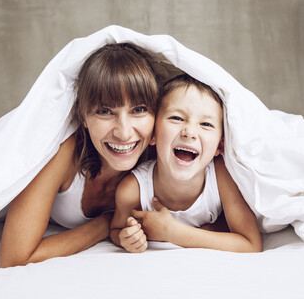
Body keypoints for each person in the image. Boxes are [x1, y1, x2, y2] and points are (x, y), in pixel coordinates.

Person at [0, 43, 159, 267]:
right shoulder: (63, 153)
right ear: (83, 116)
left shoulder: (162, 158)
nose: (123, 132)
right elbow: (14, 258)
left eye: (139, 110)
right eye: (105, 111)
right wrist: (105, 225)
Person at [110, 74, 262, 253]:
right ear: (153, 134)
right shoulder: (132, 190)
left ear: (219, 146)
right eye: (176, 118)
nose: (189, 132)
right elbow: (115, 230)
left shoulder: (222, 174)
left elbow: (251, 244)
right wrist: (126, 239)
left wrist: (172, 232)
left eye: (206, 124)